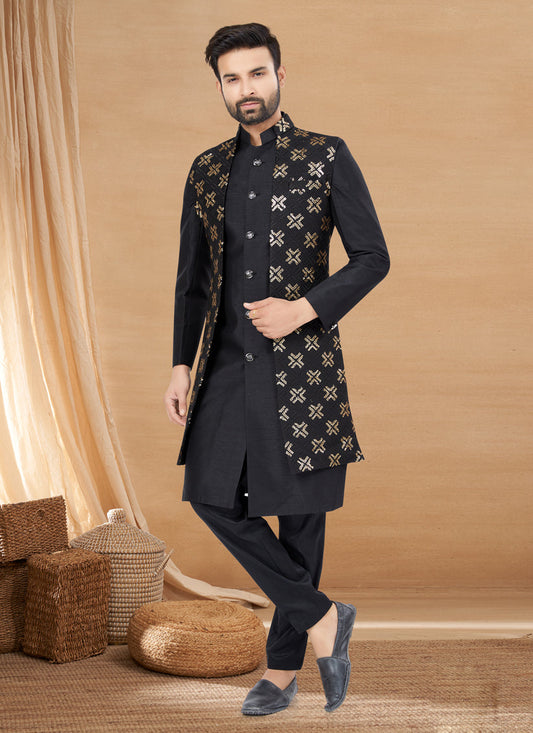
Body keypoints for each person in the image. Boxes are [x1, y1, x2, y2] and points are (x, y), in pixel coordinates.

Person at [164, 22, 390, 716]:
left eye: (256, 73)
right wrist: (180, 363)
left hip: (302, 368)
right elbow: (192, 283)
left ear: (280, 75)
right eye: (232, 78)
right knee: (211, 496)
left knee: (300, 520)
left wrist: (304, 309)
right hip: (225, 367)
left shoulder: (326, 156)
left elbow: (372, 257)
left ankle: (282, 672)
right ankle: (322, 616)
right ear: (220, 87)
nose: (246, 89)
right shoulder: (206, 170)